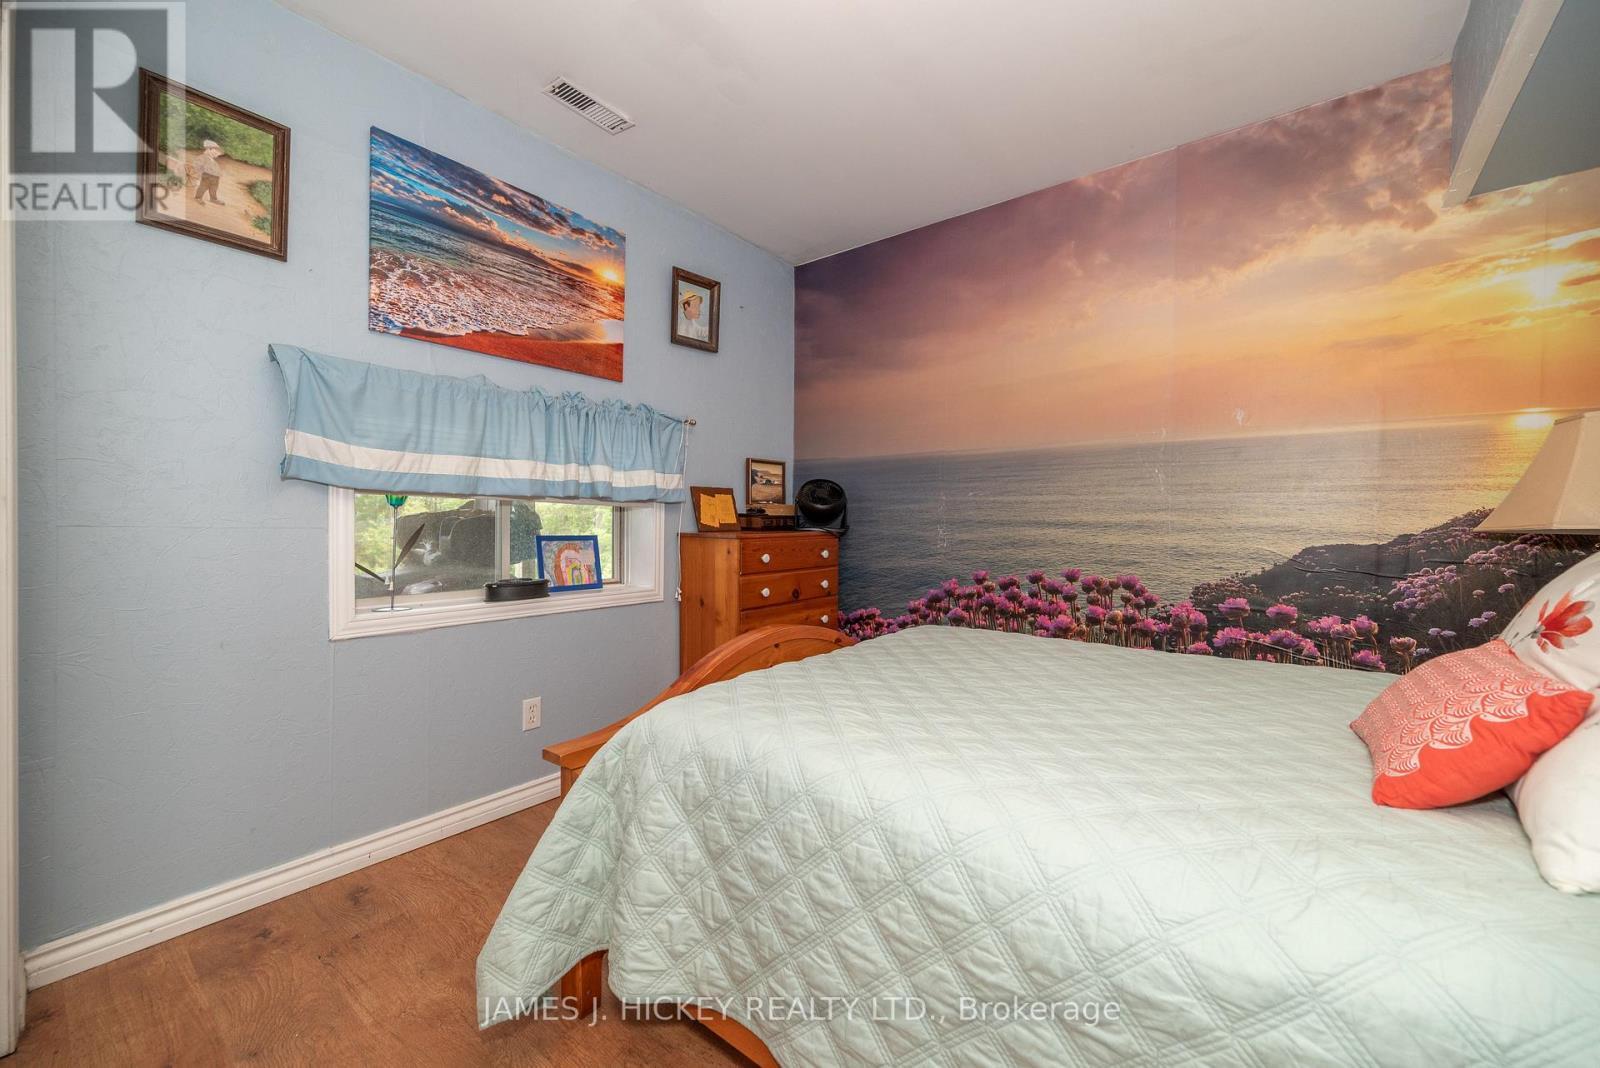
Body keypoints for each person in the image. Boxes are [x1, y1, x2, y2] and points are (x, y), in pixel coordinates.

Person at [194, 139, 225, 205]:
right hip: (206, 176)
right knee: (203, 187)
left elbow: (216, 169)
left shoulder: (213, 161)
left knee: (214, 188)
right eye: (215, 152)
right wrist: (198, 177)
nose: (217, 154)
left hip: (215, 178)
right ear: (209, 149)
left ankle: (213, 199)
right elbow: (198, 167)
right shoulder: (202, 157)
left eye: (217, 153)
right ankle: (198, 198)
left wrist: (218, 175)